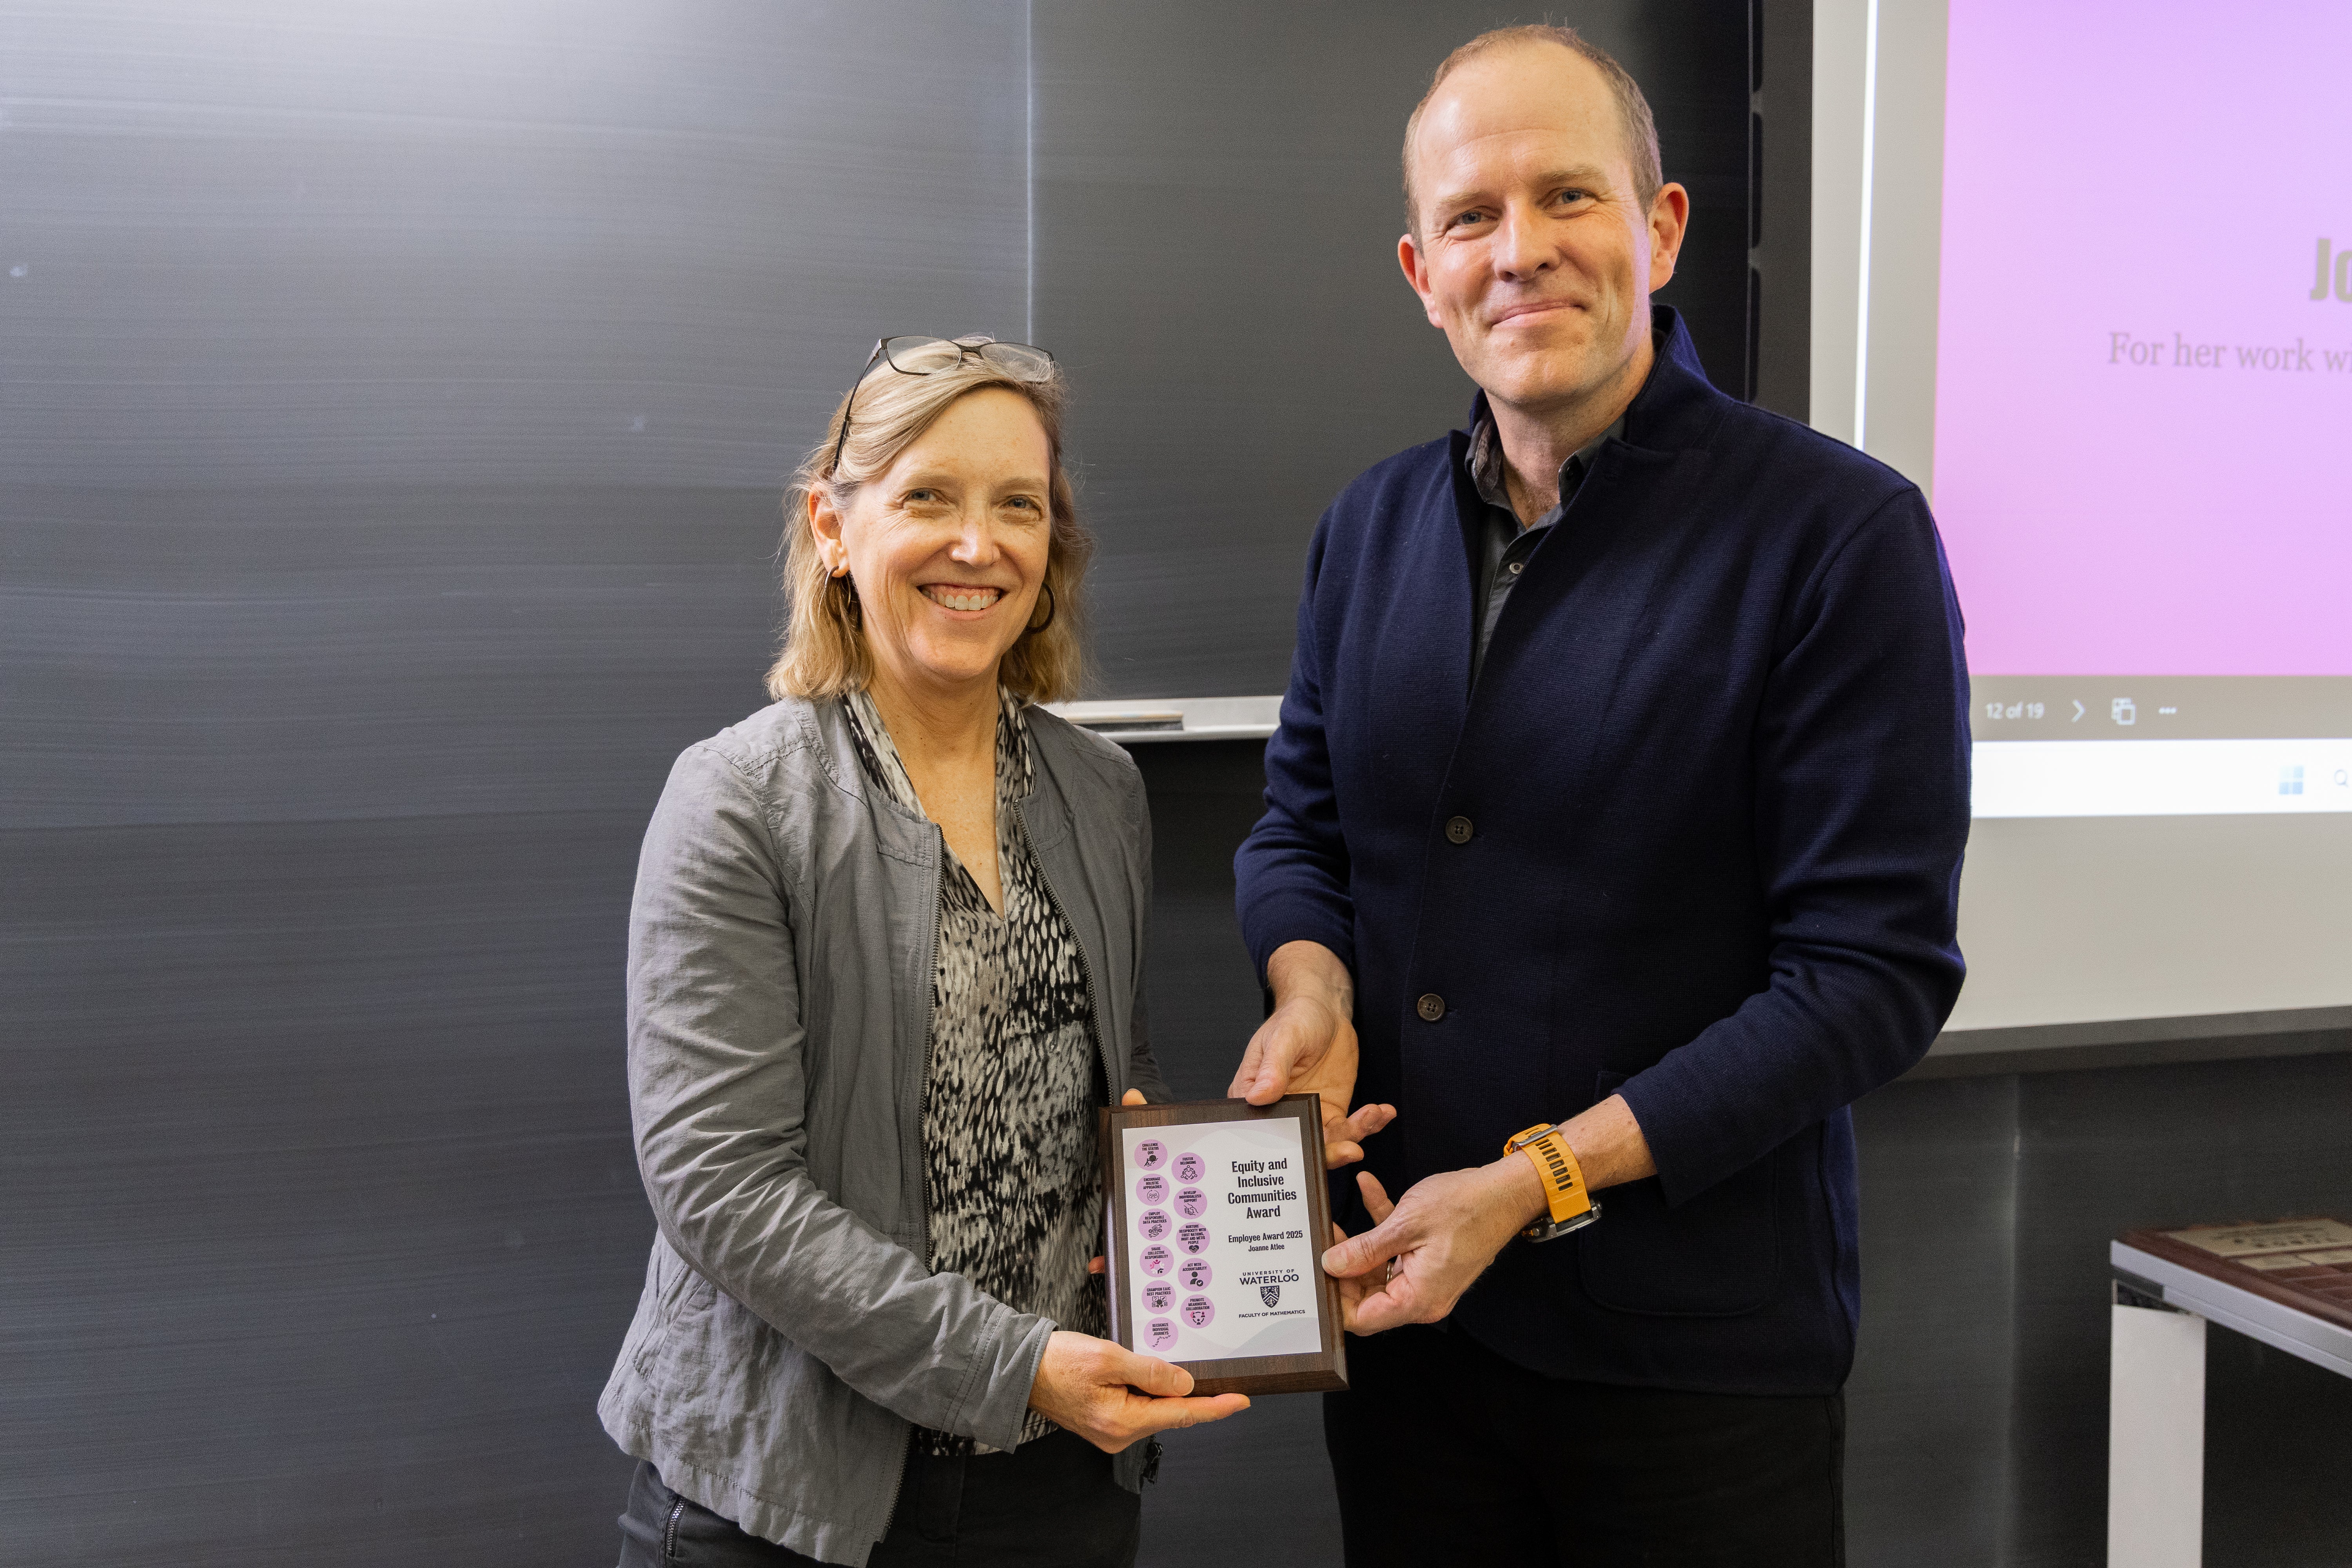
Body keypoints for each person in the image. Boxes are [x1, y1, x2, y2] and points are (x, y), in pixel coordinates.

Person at [1230, 26, 1971, 1567]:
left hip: (1692, 1372)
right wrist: (1311, 987)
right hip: (1409, 1333)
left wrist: (1539, 1179)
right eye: (1471, 219)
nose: (1521, 254)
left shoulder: (1840, 537)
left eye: (1567, 196)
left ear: (1663, 224)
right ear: (1420, 271)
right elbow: (1299, 826)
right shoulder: (1366, 529)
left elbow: (1869, 979)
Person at [601, 336, 1249, 1568]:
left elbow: (1104, 1090)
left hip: (1059, 1489)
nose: (978, 543)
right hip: (792, 1502)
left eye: (1019, 505)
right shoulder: (738, 798)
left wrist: (1237, 1190)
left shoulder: (1099, 788)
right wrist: (1014, 1367)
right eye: (929, 497)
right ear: (834, 529)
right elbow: (718, 1185)